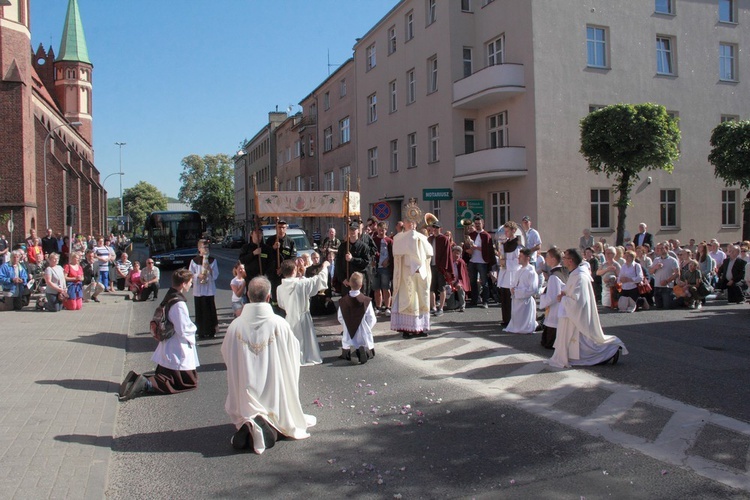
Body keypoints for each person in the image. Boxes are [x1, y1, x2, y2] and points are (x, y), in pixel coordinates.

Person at [221, 276, 317, 454]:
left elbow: (227, 353)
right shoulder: (279, 324)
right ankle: (267, 427)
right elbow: (293, 352)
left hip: (247, 389)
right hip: (274, 388)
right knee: (279, 417)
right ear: (268, 297)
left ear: (248, 295)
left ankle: (250, 422)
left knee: (248, 406)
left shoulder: (235, 326)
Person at [119, 268, 200, 400]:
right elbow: (183, 328)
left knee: (174, 375)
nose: (191, 285)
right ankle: (146, 384)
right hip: (176, 347)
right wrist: (194, 328)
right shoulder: (179, 303)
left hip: (169, 344)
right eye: (190, 282)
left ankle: (134, 379)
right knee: (185, 382)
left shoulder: (170, 296)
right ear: (183, 284)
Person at [547, 249, 628, 369]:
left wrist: (564, 299)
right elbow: (572, 292)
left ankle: (611, 348)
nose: (563, 259)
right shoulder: (574, 274)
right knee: (581, 346)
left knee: (586, 345)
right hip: (572, 315)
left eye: (565, 258)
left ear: (571, 260)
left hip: (577, 315)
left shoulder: (580, 276)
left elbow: (577, 301)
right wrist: (564, 294)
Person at [277, 258, 330, 365]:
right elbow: (319, 279)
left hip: (289, 317)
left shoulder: (280, 288)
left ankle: (293, 357)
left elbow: (281, 304)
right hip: (303, 315)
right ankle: (307, 356)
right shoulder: (302, 284)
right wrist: (324, 267)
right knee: (306, 339)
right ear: (294, 270)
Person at [391, 205, 433, 338]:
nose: (412, 224)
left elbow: (429, 253)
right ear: (404, 223)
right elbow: (397, 252)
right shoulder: (399, 237)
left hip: (420, 274)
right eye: (409, 221)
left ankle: (419, 328)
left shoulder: (421, 237)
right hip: (405, 275)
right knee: (408, 300)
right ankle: (406, 328)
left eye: (414, 222)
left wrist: (419, 263)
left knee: (420, 299)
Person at [337, 271, 377, 364]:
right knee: (365, 340)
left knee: (348, 340)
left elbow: (340, 317)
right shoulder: (366, 301)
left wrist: (347, 325)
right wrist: (367, 327)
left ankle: (348, 352)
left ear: (349, 284)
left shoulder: (343, 301)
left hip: (348, 331)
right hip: (363, 331)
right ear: (361, 285)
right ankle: (365, 351)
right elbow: (372, 318)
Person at [189, 239, 219, 339]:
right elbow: (190, 274)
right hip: (198, 289)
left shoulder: (212, 260)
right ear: (199, 249)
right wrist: (198, 276)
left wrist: (210, 269)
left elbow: (216, 275)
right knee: (200, 310)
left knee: (210, 310)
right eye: (203, 247)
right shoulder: (194, 261)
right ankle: (201, 331)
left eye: (207, 247)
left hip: (209, 289)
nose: (205, 249)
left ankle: (211, 331)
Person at [503, 248, 539, 334]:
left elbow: (533, 289)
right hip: (516, 299)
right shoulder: (518, 271)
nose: (518, 258)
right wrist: (512, 288)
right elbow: (514, 283)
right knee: (516, 319)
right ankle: (516, 326)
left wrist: (518, 291)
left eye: (521, 256)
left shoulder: (531, 272)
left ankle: (525, 327)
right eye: (519, 256)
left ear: (528, 258)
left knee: (524, 321)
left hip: (525, 300)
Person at [334, 221, 372, 296]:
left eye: (354, 229)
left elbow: (366, 263)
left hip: (359, 282)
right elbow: (338, 264)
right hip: (346, 281)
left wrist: (352, 259)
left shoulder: (364, 247)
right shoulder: (343, 246)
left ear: (358, 230)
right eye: (350, 229)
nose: (352, 232)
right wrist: (343, 279)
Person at [539, 247, 566, 349]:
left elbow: (552, 297)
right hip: (561, 306)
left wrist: (543, 297)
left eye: (547, 257)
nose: (545, 259)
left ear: (554, 259)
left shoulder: (554, 276)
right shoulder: (563, 271)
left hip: (556, 308)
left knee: (552, 327)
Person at [265, 220, 297, 305]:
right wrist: (273, 248)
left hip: (285, 273)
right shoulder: (270, 240)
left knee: (286, 295)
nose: (281, 230)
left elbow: (292, 258)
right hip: (273, 273)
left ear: (286, 228)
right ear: (276, 228)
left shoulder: (290, 241)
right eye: (279, 227)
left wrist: (283, 269)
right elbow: (265, 255)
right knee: (275, 295)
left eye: (283, 227)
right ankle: (276, 310)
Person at [497, 221, 522, 325]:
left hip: (513, 273)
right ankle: (506, 318)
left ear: (514, 231)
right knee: (504, 296)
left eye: (507, 231)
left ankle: (512, 319)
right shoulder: (505, 243)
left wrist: (506, 262)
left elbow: (518, 261)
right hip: (505, 272)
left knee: (510, 297)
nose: (506, 233)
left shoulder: (518, 244)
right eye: (505, 231)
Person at [466, 215, 494, 308]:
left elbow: (488, 250)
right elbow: (467, 247)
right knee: (473, 282)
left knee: (484, 282)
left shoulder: (486, 235)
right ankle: (474, 300)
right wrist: (468, 248)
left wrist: (476, 247)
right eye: (476, 224)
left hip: (482, 261)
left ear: (483, 224)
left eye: (479, 223)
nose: (478, 225)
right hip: (472, 261)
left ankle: (485, 301)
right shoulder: (472, 235)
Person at [427, 219, 452, 316]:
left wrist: (443, 267)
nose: (435, 230)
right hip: (431, 266)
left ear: (440, 229)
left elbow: (446, 254)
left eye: (437, 228)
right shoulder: (430, 239)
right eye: (434, 228)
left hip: (440, 267)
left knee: (442, 288)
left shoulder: (444, 239)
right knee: (431, 288)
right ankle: (433, 307)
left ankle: (441, 308)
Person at [372, 221, 393, 316]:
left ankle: (388, 307)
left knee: (386, 288)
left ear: (386, 230)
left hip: (385, 268)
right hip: (376, 267)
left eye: (383, 230)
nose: (381, 232)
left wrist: (388, 261)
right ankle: (378, 306)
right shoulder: (373, 240)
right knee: (377, 288)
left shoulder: (389, 241)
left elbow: (393, 254)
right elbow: (371, 252)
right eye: (380, 230)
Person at [649, 243, 680, 309]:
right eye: (658, 248)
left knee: (667, 306)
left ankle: (681, 300)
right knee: (659, 306)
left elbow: (677, 273)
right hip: (657, 285)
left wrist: (667, 281)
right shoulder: (656, 260)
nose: (660, 250)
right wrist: (655, 267)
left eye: (662, 248)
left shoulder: (672, 260)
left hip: (667, 286)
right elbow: (650, 272)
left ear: (667, 249)